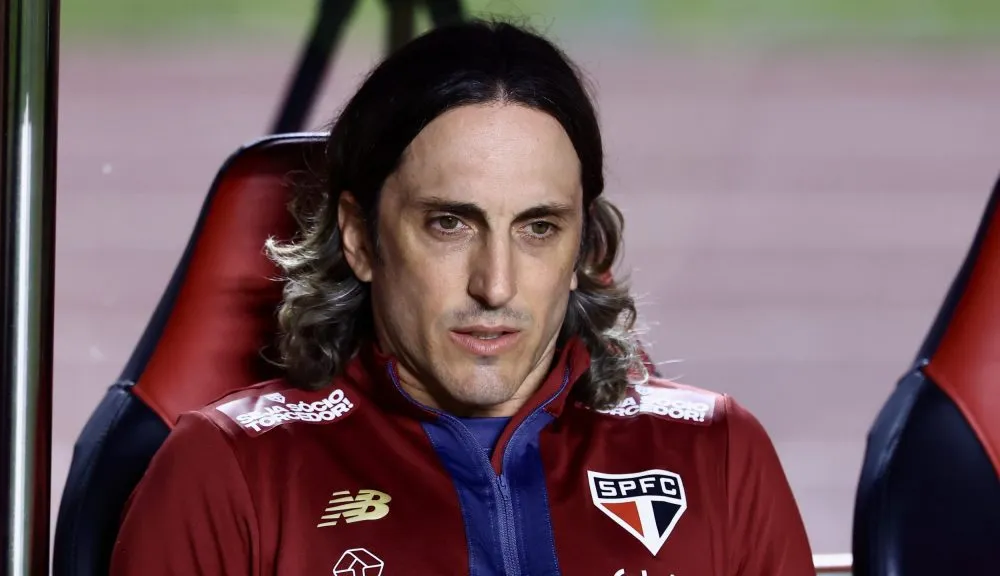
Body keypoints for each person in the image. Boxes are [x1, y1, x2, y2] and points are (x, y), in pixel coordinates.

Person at [110, 19, 816, 576]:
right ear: (359, 236)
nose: (495, 285)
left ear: (582, 247)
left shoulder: (718, 453)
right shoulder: (228, 471)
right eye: (450, 223)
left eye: (538, 228)